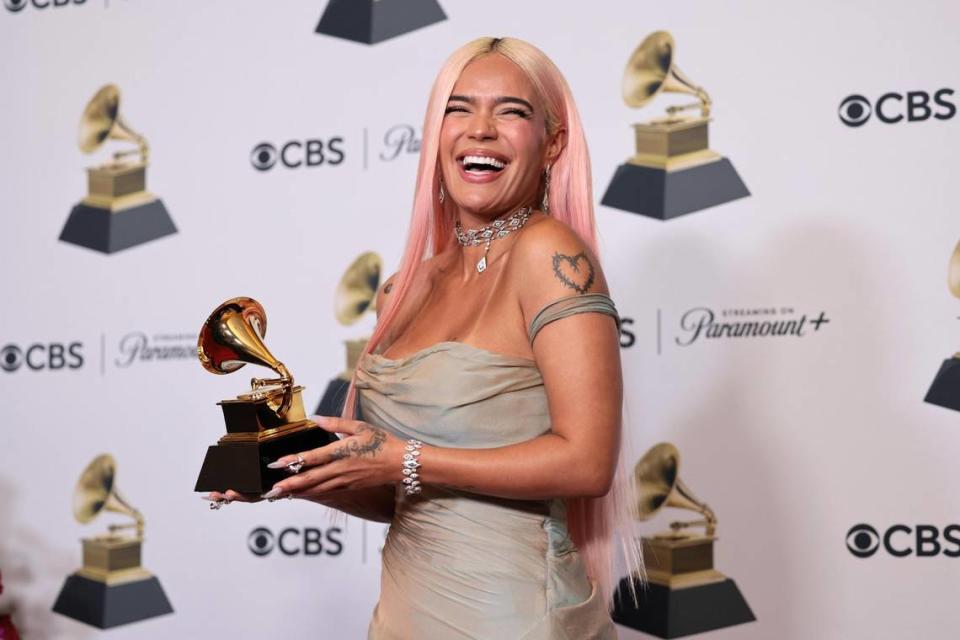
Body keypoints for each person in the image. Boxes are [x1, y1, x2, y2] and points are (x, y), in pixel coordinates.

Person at [208, 36, 640, 639]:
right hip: (407, 613)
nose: (480, 130)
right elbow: (407, 495)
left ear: (553, 144)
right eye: (457, 109)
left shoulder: (549, 254)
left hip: (514, 616)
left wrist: (402, 458)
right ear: (435, 134)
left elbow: (588, 461)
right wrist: (299, 475)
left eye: (511, 111)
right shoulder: (403, 289)